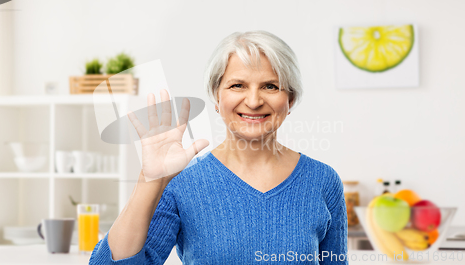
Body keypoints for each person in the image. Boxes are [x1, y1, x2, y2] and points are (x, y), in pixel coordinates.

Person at [89, 30, 348, 264]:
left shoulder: (323, 180)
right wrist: (150, 179)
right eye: (238, 85)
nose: (254, 101)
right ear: (217, 96)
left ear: (289, 99)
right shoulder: (182, 182)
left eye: (270, 86)